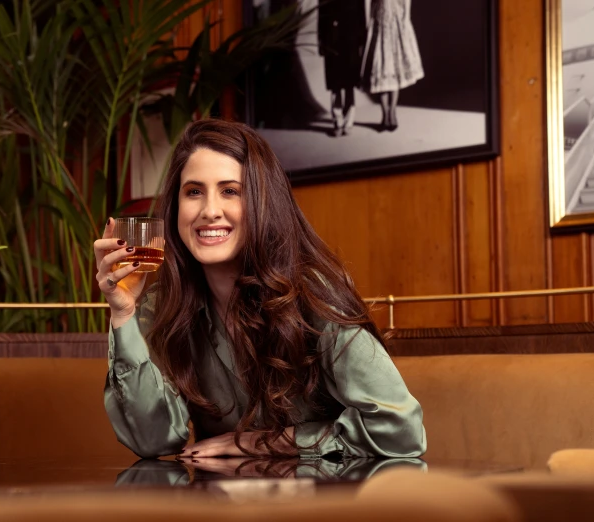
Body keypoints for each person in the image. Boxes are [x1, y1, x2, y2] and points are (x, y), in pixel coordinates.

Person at [94, 119, 426, 459]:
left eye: (230, 191)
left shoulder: (314, 297)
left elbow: (401, 430)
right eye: (194, 191)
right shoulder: (163, 306)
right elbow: (154, 440)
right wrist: (123, 313)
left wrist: (269, 441)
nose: (209, 211)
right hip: (222, 505)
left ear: (263, 202)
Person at [362, 0, 424, 131]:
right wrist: (367, 21)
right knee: (381, 69)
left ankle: (392, 112)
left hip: (397, 20)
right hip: (379, 21)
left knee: (396, 68)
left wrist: (406, 16)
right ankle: (385, 114)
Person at [318, 0, 368, 136]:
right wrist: (321, 42)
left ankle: (348, 122)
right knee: (335, 83)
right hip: (332, 40)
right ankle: (337, 121)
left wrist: (362, 40)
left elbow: (361, 15)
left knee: (349, 83)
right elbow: (321, 14)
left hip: (350, 40)